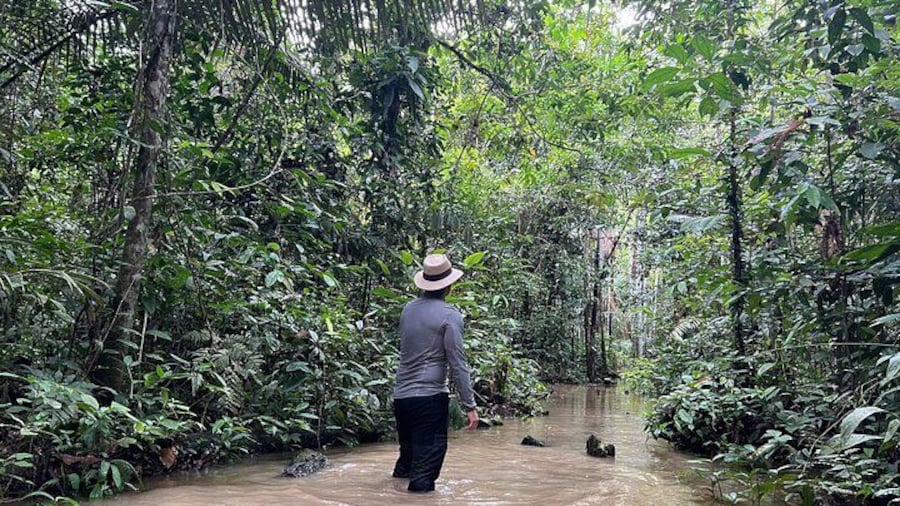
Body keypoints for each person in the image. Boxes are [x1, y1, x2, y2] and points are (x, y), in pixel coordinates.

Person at [392, 253, 479, 492]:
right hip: (429, 401)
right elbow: (457, 362)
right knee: (423, 474)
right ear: (448, 285)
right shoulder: (450, 315)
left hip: (401, 398)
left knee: (406, 465)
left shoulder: (407, 310)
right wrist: (470, 406)